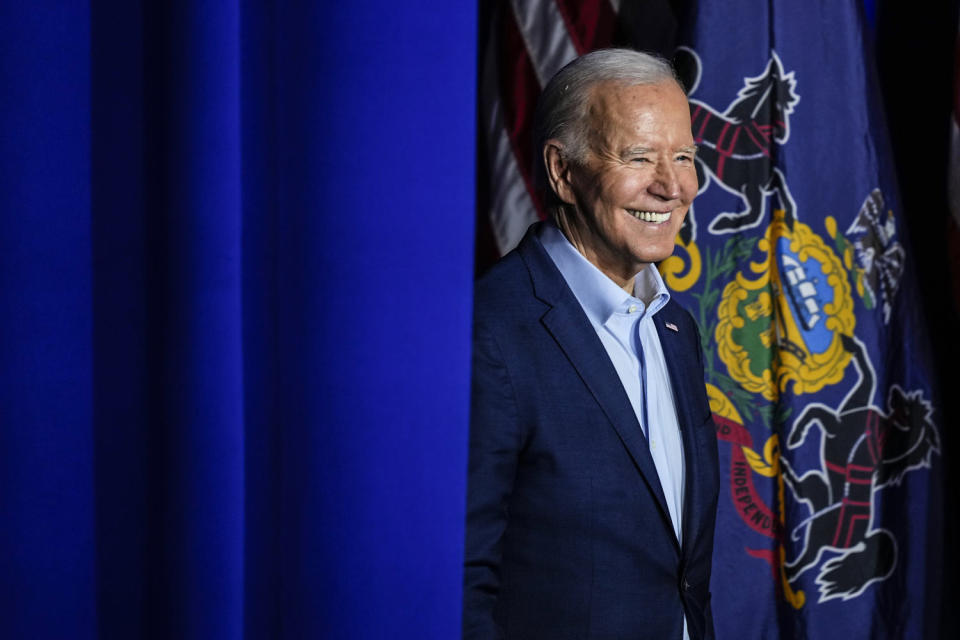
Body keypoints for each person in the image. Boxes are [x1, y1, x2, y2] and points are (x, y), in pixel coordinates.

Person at [463, 49, 719, 639]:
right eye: (639, 156)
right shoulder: (492, 332)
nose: (673, 186)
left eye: (684, 156)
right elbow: (460, 580)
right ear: (563, 172)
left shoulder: (676, 329)